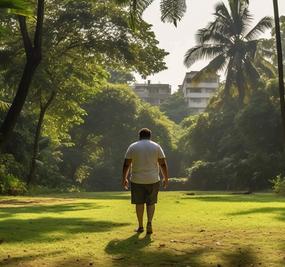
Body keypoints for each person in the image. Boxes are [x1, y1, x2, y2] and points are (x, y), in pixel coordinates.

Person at [122, 128, 169, 234]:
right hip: (153, 179)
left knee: (139, 203)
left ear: (139, 136)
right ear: (150, 136)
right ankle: (149, 223)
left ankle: (140, 226)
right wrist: (166, 178)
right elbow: (162, 164)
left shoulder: (133, 147)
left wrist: (124, 178)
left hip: (137, 180)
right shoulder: (156, 146)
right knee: (151, 203)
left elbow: (126, 164)